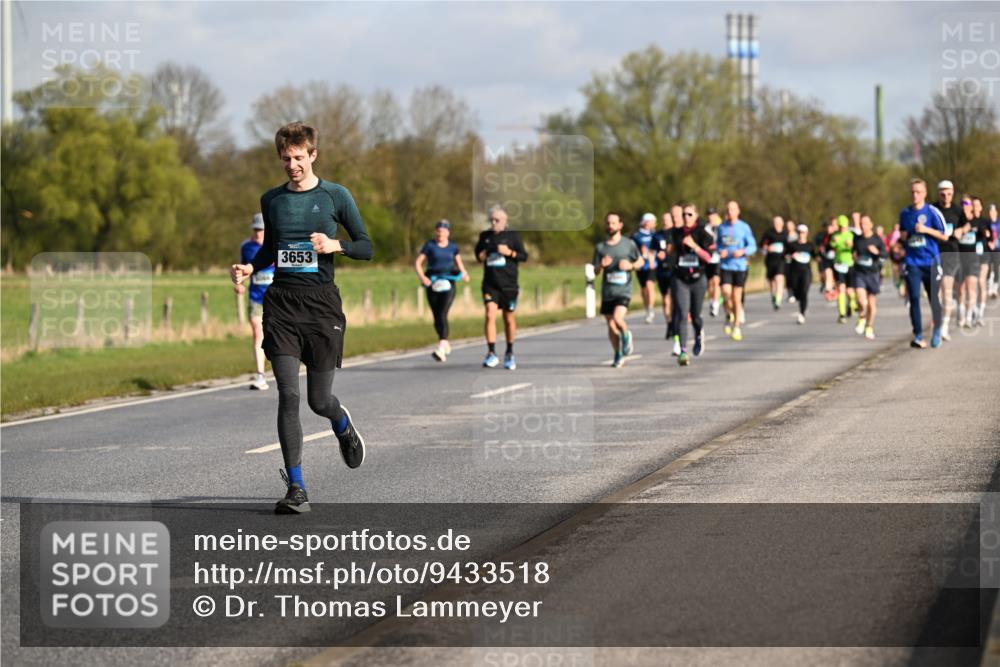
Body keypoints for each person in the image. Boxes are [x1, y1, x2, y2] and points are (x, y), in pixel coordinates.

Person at [230, 121, 372, 514]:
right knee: (288, 394)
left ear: (313, 155)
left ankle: (342, 424)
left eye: (298, 157)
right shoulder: (272, 200)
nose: (292, 165)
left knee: (318, 400)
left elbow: (367, 246)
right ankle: (297, 487)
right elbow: (271, 251)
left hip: (322, 305)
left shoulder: (335, 196)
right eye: (285, 158)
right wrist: (248, 266)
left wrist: (335, 245)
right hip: (282, 304)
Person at [475, 205, 527, 370]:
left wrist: (509, 253)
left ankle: (509, 352)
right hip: (490, 284)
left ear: (505, 222)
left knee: (508, 319)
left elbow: (523, 256)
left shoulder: (513, 236)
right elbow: (478, 256)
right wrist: (485, 252)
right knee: (490, 315)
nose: (494, 223)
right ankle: (491, 352)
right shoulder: (485, 236)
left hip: (509, 285)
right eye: (492, 220)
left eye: (497, 220)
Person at [898, 178, 948, 349]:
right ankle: (918, 335)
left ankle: (937, 330)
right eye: (912, 192)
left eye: (918, 191)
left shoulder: (932, 212)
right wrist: (904, 237)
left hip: (931, 262)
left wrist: (926, 230)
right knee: (913, 298)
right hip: (912, 262)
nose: (915, 195)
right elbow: (903, 236)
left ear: (925, 193)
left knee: (934, 298)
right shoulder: (904, 213)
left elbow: (945, 235)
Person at [415, 219, 470, 361]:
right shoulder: (429, 246)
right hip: (433, 283)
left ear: (448, 232)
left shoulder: (453, 247)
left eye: (443, 230)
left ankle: (441, 346)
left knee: (442, 313)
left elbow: (459, 263)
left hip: (448, 283)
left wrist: (464, 273)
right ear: (436, 232)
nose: (440, 233)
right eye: (438, 230)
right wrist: (423, 277)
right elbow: (418, 263)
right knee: (436, 316)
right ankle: (445, 342)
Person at [593, 212, 642, 368]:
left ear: (620, 225)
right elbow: (595, 271)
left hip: (623, 291)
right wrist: (601, 265)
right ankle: (617, 353)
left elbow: (640, 261)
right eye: (608, 223)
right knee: (611, 326)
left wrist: (631, 266)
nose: (610, 226)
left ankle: (627, 335)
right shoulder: (600, 247)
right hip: (608, 292)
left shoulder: (629, 244)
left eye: (613, 223)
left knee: (618, 318)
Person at [670, 203, 715, 365]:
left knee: (695, 315)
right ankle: (683, 351)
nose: (686, 218)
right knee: (682, 313)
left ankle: (698, 334)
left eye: (689, 214)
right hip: (680, 278)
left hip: (698, 278)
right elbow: (670, 251)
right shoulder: (676, 233)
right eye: (684, 215)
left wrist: (694, 246)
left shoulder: (702, 233)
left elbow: (709, 258)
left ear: (696, 216)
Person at [238, 213, 274, 390]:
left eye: (261, 229)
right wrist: (240, 284)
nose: (258, 233)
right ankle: (260, 375)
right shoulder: (246, 247)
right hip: (256, 297)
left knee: (276, 334)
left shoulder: (276, 245)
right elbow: (243, 269)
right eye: (256, 229)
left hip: (276, 298)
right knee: (257, 330)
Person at [717, 200, 757, 341]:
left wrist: (743, 251)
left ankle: (737, 327)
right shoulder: (722, 227)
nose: (730, 212)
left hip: (740, 266)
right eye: (728, 210)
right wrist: (720, 251)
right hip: (725, 266)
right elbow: (718, 245)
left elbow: (752, 246)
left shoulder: (744, 227)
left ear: (738, 211)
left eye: (732, 209)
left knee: (736, 297)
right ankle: (729, 314)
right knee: (726, 293)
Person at [934, 180, 962, 339]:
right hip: (934, 254)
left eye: (949, 194)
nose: (946, 197)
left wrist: (961, 230)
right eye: (943, 194)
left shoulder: (958, 211)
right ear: (938, 194)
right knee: (935, 293)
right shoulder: (932, 209)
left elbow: (968, 225)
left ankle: (944, 327)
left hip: (951, 254)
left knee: (947, 291)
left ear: (953, 193)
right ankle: (938, 321)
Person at [852, 215, 886, 339]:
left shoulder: (877, 239)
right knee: (861, 300)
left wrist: (876, 252)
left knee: (871, 304)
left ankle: (869, 326)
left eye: (865, 223)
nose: (863, 226)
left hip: (873, 273)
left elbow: (885, 254)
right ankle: (862, 317)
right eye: (861, 223)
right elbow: (853, 251)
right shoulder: (857, 239)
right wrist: (854, 256)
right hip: (860, 272)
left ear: (871, 224)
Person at [653, 211, 677, 351]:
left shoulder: (676, 233)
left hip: (674, 270)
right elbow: (651, 251)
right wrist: (655, 256)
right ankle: (669, 322)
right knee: (665, 299)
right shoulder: (657, 235)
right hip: (662, 270)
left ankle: (674, 322)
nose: (665, 222)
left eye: (668, 219)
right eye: (663, 220)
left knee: (674, 299)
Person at [631, 212, 659, 324]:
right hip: (641, 265)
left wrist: (653, 255)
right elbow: (632, 250)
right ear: (646, 222)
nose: (655, 224)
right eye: (653, 222)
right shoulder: (636, 235)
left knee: (650, 285)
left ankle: (651, 309)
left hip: (652, 264)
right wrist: (640, 255)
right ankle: (647, 308)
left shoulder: (655, 234)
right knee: (643, 289)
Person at [785, 223, 815, 324]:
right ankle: (794, 296)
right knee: (797, 294)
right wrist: (791, 255)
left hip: (806, 272)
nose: (801, 234)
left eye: (803, 232)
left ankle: (802, 313)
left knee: (804, 292)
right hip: (794, 272)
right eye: (799, 232)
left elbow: (816, 257)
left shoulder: (810, 245)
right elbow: (784, 256)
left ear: (806, 233)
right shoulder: (792, 245)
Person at [829, 215, 855, 323]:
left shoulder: (850, 235)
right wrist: (834, 242)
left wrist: (851, 245)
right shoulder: (835, 235)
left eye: (844, 226)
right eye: (840, 226)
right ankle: (842, 314)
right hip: (839, 265)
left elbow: (854, 247)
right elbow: (831, 245)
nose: (842, 229)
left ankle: (852, 304)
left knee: (850, 291)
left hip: (850, 264)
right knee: (841, 289)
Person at [971, 197, 993, 326]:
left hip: (984, 254)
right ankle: (974, 310)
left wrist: (989, 238)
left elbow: (991, 236)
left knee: (981, 281)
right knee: (972, 284)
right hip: (971, 255)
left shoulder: (985, 221)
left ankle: (980, 313)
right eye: (973, 205)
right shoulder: (968, 221)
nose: (975, 207)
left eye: (977, 205)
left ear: (981, 207)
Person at [760, 215, 788, 310]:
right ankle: (773, 295)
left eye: (778, 223)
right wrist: (767, 248)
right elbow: (761, 245)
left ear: (782, 224)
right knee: (772, 281)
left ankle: (778, 300)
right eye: (775, 223)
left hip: (781, 260)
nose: (777, 225)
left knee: (779, 278)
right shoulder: (768, 233)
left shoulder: (786, 234)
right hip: (770, 260)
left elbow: (791, 246)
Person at [705, 208, 723, 317]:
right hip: (707, 259)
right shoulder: (705, 228)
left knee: (716, 281)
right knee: (710, 284)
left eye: (713, 215)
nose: (711, 217)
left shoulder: (721, 228)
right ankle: (713, 300)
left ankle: (715, 305)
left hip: (717, 258)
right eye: (709, 215)